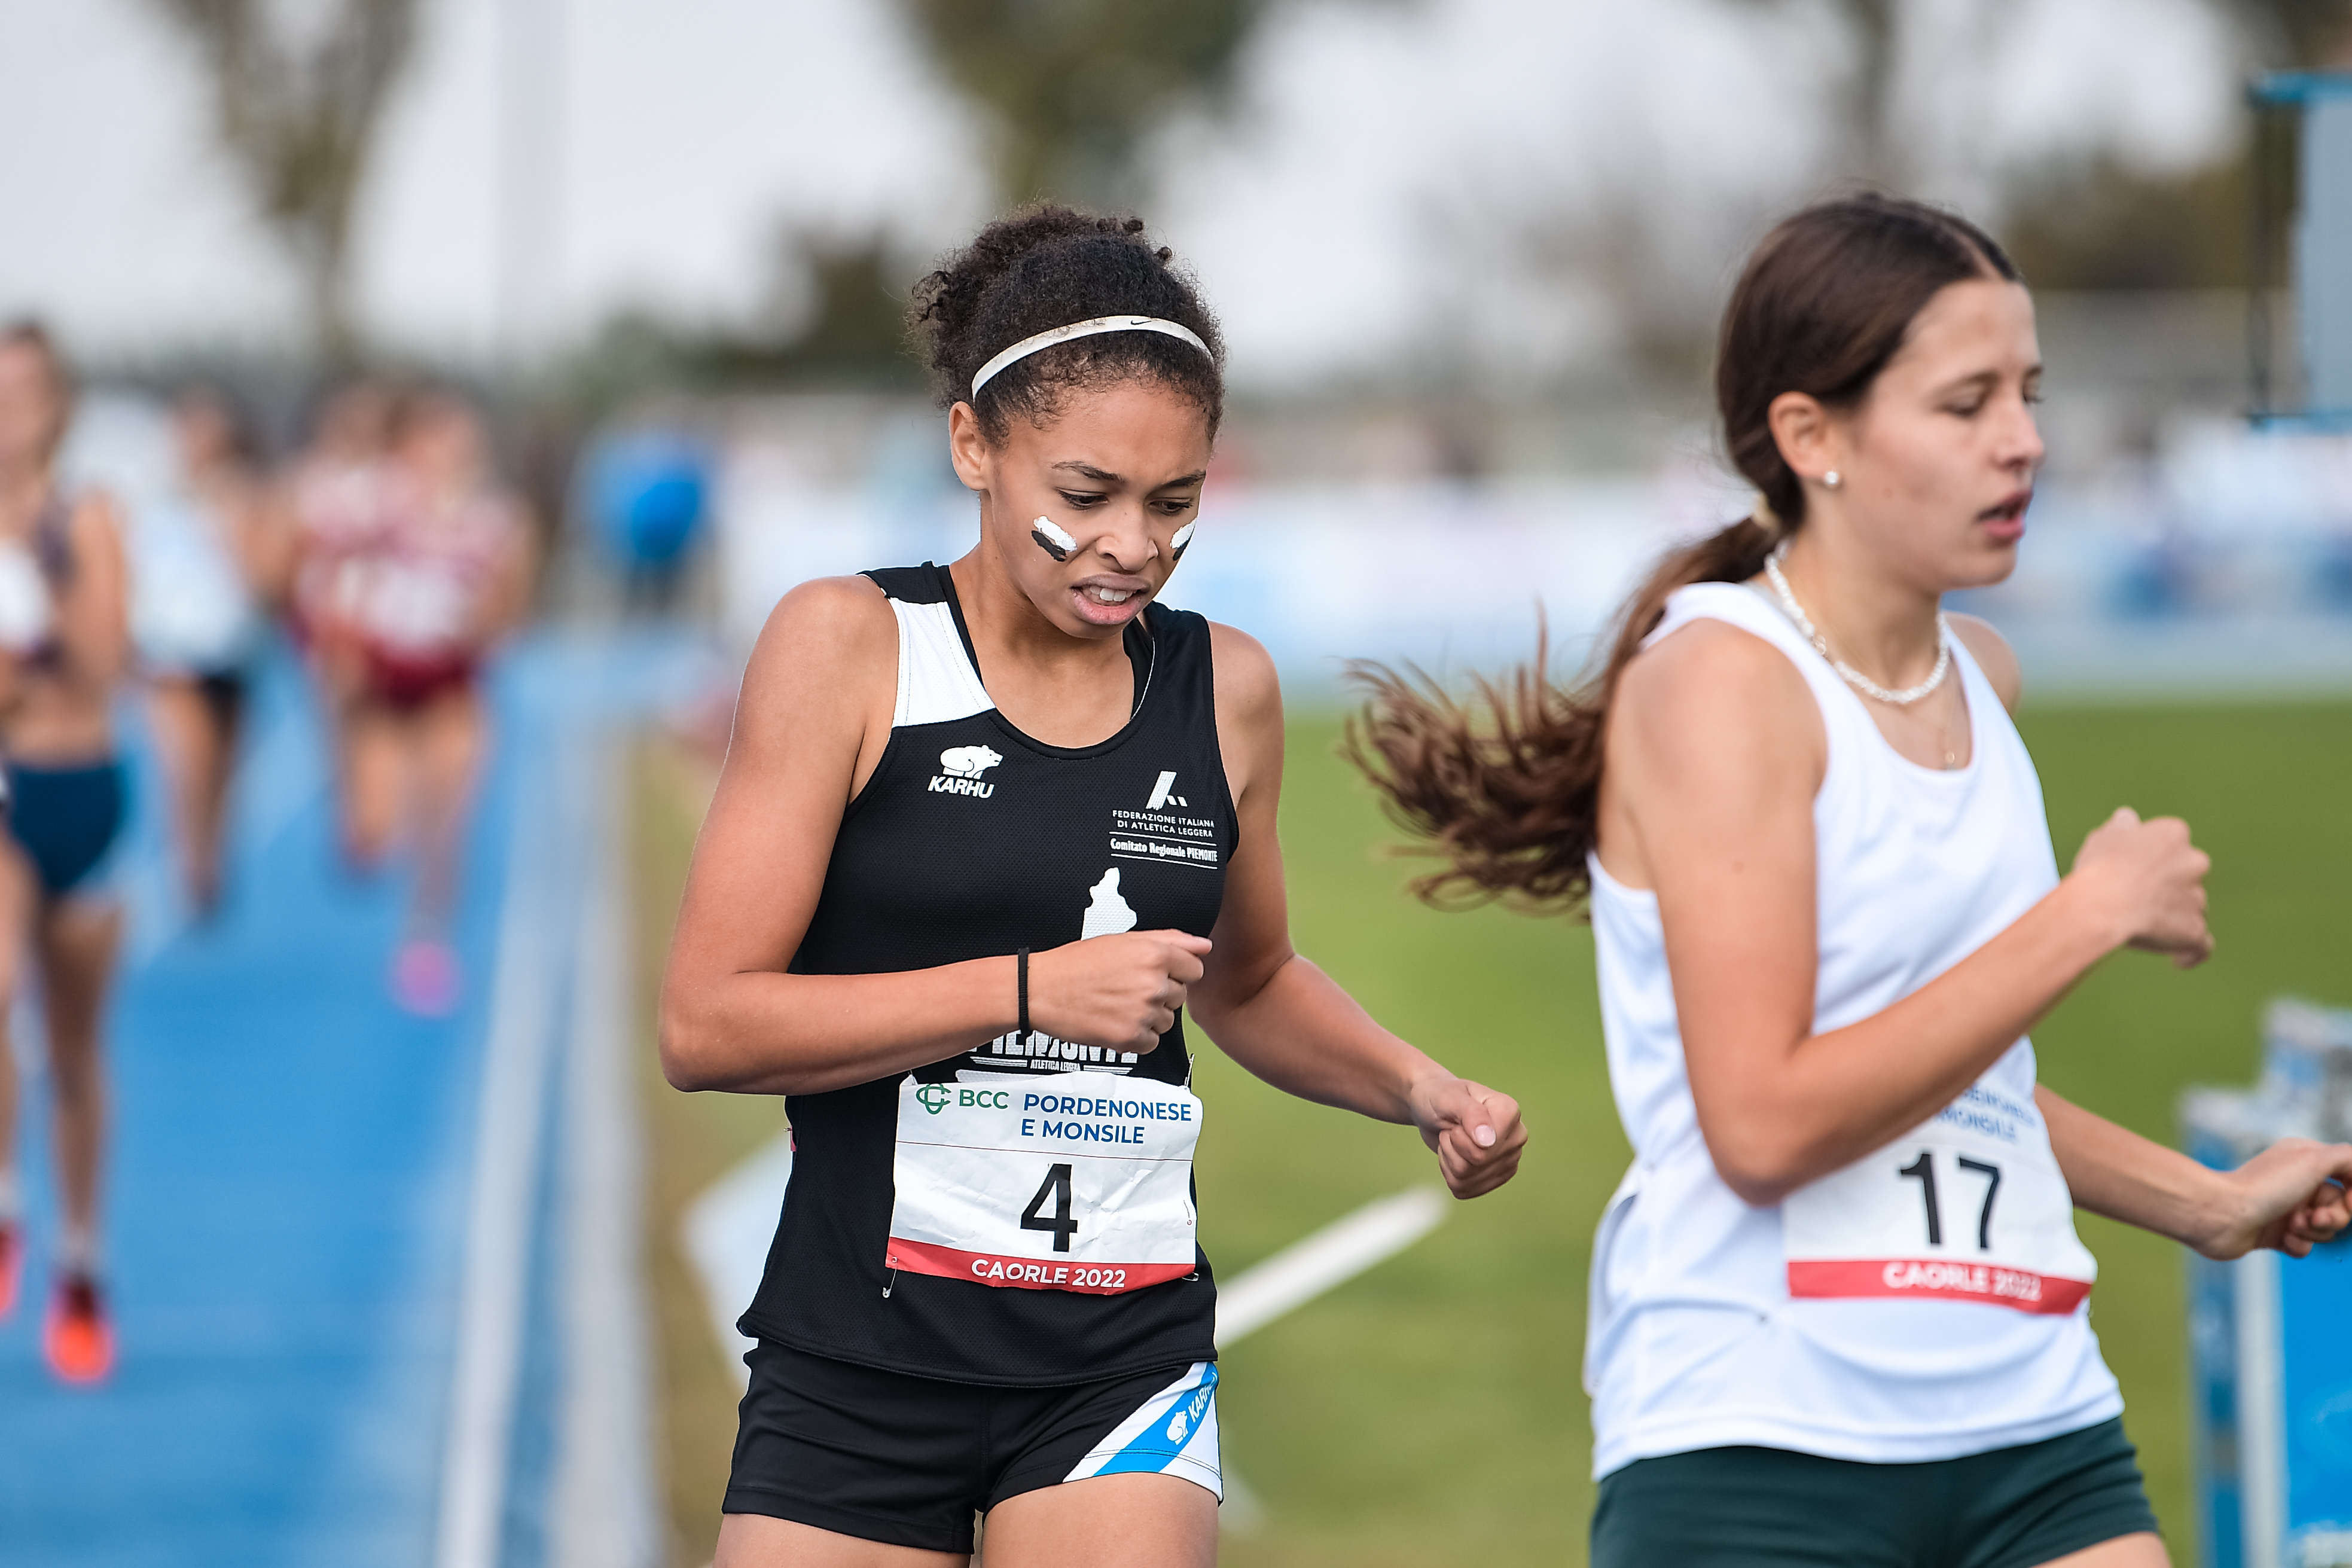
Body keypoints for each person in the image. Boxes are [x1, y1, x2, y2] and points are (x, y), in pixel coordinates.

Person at [1349, 194, 2352, 1567]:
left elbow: (1950, 1079)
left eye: (2027, 393)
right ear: (1808, 434)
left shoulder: (1981, 678)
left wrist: (2204, 1201)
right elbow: (1763, 1121)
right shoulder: (1719, 680)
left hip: (2031, 1417)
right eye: (1963, 403)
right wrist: (2080, 916)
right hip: (1761, 1438)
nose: (2022, 439)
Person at [659, 206, 1529, 1568]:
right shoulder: (849, 646)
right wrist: (1024, 991)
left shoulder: (1222, 688)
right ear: (973, 447)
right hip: (853, 1359)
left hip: (1116, 1362)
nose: (1132, 543)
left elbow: (1247, 981)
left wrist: (1418, 1086)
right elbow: (706, 1023)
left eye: (1173, 503)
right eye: (1085, 495)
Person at [297, 388, 531, 1015]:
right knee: (377, 834)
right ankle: (351, 805)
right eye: (434, 439)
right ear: (406, 446)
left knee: (445, 823)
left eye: (460, 442)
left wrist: (481, 621)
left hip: (451, 685)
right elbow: (325, 576)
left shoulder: (495, 520)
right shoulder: (374, 505)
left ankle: (427, 939)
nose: (448, 453)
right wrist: (340, 651)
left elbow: (511, 612)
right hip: (381, 684)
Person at [0, 321, 133, 1384]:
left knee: (74, 1050)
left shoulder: (85, 514)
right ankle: (7, 1200)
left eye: (26, 392)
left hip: (80, 791)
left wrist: (47, 557)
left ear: (56, 406)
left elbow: (103, 663)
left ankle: (81, 1263)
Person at [133, 385, 277, 916]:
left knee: (222, 774)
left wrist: (231, 525)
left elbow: (268, 581)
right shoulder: (148, 496)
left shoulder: (247, 497)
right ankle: (190, 860)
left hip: (233, 653)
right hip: (171, 656)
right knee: (186, 767)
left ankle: (212, 850)